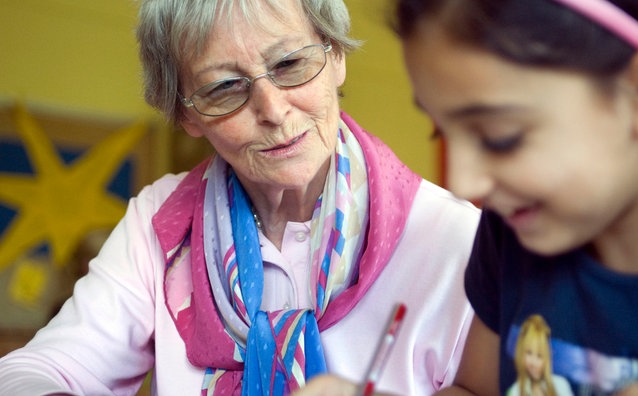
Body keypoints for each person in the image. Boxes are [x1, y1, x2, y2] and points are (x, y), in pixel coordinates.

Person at [0, 0, 480, 395]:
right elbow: (38, 369)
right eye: (224, 88)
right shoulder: (161, 223)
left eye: (290, 64)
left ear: (336, 56)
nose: (272, 109)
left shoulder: (455, 237)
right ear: (187, 116)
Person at [297, 0, 638, 395]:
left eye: (500, 138)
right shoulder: (513, 231)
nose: (465, 185)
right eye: (442, 131)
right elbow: (478, 388)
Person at [506, 315, 573, 396]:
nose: (533, 363)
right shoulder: (515, 391)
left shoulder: (561, 385)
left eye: (539, 356)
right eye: (529, 353)